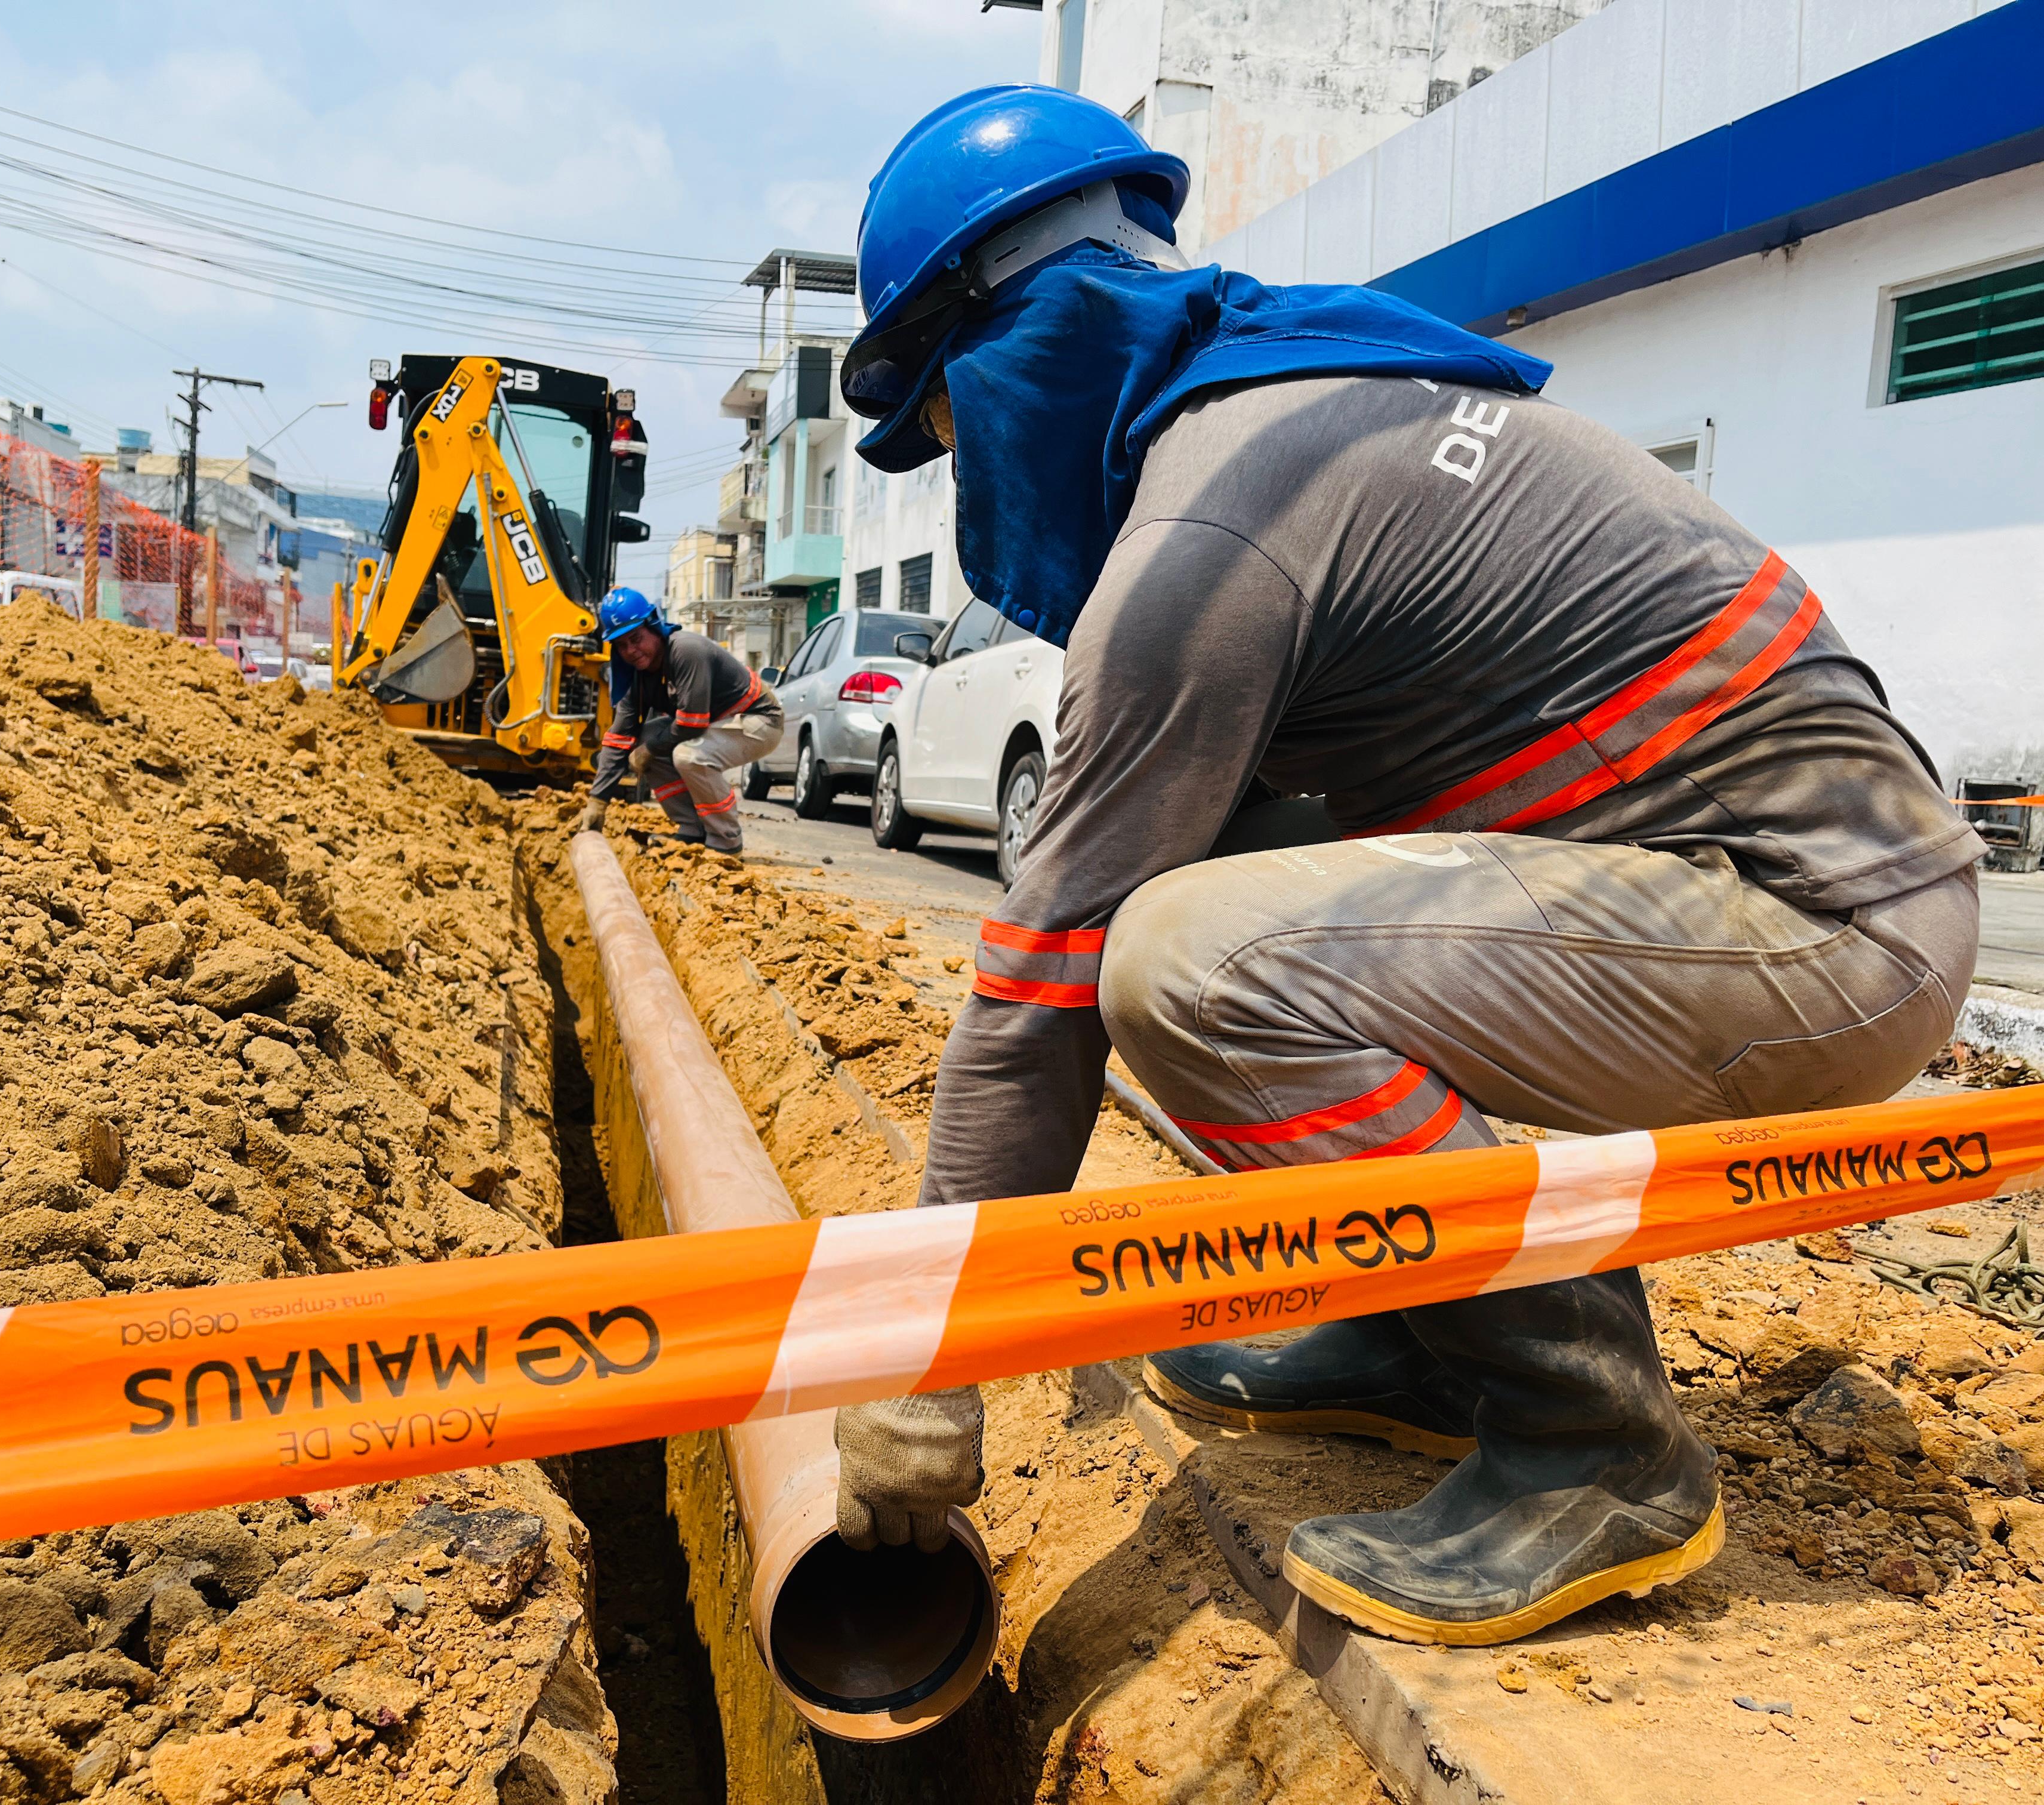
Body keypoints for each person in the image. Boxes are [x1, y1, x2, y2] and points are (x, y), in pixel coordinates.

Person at [828, 87, 1980, 1646]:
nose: (972, 483)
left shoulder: (1214, 537)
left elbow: (1035, 1001)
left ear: (1023, 342)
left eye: (958, 430)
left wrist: (920, 1378)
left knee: (1178, 965)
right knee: (1211, 871)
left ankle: (1590, 1443)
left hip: (1821, 921)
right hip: (1736, 874)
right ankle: (1424, 1328)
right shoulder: (1280, 406)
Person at [576, 588, 784, 853]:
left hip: (759, 719)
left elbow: (691, 724)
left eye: (636, 639)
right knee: (643, 741)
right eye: (621, 645)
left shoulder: (686, 651)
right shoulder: (638, 676)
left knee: (689, 756)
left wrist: (649, 750)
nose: (631, 650)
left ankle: (726, 843)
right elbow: (619, 738)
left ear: (653, 627)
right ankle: (693, 831)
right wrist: (597, 800)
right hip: (718, 722)